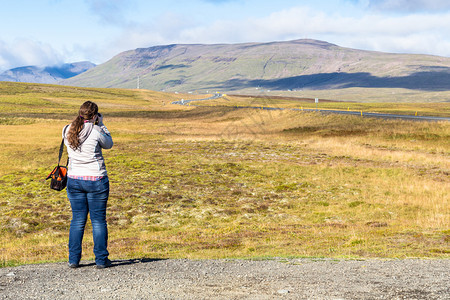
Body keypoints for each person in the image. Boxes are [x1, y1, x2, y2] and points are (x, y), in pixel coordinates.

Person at [63, 101, 113, 269]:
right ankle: (100, 260)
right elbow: (109, 144)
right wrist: (102, 124)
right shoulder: (97, 130)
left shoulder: (67, 129)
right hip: (96, 180)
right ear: (94, 116)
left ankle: (73, 260)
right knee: (98, 221)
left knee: (77, 220)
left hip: (74, 179)